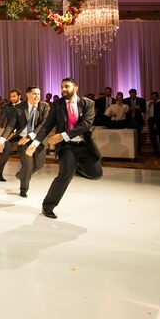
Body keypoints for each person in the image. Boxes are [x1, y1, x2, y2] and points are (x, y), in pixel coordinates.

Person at [26, 77, 102, 219]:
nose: (63, 90)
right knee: (65, 175)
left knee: (96, 174)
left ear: (76, 88)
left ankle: (72, 168)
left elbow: (86, 125)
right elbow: (47, 125)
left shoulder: (88, 104)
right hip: (67, 147)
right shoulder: (57, 104)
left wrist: (62, 135)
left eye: (66, 86)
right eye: (62, 87)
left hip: (84, 146)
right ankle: (48, 206)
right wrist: (34, 143)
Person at [0, 86, 50, 197]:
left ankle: (21, 174)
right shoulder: (19, 107)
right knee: (28, 165)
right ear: (27, 94)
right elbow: (10, 125)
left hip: (38, 140)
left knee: (38, 165)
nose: (37, 96)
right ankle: (23, 189)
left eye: (39, 94)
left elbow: (44, 123)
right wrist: (2, 139)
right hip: (22, 141)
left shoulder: (44, 106)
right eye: (34, 94)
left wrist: (30, 136)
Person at [0, 89, 22, 181]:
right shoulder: (6, 106)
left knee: (24, 153)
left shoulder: (25, 105)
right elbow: (1, 118)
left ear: (19, 96)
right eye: (10, 96)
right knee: (6, 151)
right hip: (9, 132)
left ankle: (23, 172)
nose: (11, 98)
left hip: (22, 132)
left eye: (14, 96)